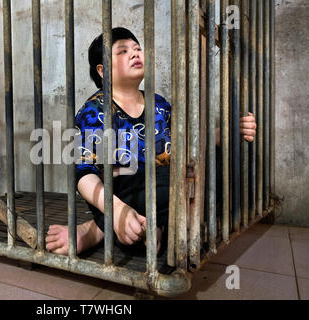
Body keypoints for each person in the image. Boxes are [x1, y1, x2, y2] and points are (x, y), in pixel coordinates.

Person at [46, 27, 257, 256]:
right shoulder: (95, 109)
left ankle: (110, 228)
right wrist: (117, 210)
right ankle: (127, 224)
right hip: (125, 192)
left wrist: (226, 132)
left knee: (219, 162)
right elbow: (84, 173)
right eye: (123, 51)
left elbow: (186, 145)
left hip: (166, 185)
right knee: (165, 182)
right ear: (103, 70)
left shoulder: (159, 104)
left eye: (137, 49)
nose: (135, 54)